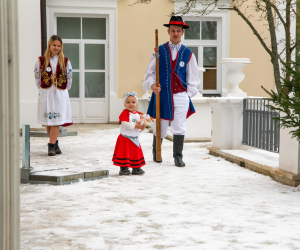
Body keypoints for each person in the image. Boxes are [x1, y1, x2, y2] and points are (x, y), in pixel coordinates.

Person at [143, 16, 199, 167]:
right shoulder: (158, 51)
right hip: (161, 94)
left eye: (178, 31)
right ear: (168, 31)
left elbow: (193, 78)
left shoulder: (188, 53)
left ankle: (178, 156)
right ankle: (157, 153)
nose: (175, 33)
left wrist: (188, 95)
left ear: (182, 33)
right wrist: (152, 85)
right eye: (173, 30)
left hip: (180, 95)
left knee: (179, 126)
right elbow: (149, 74)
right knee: (159, 126)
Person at [34, 35, 73, 156]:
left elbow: (69, 78)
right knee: (49, 120)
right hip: (46, 93)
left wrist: (63, 89)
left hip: (60, 93)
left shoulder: (65, 61)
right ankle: (54, 143)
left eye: (58, 46)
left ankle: (50, 146)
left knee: (56, 120)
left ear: (61, 47)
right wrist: (43, 88)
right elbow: (37, 76)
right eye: (54, 45)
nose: (56, 47)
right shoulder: (41, 60)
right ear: (49, 46)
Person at [112, 92, 148, 176]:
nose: (130, 104)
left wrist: (142, 127)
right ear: (124, 104)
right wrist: (136, 126)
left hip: (134, 138)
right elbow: (124, 124)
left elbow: (141, 123)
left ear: (136, 103)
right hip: (125, 138)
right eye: (128, 102)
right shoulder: (124, 113)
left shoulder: (138, 115)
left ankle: (136, 168)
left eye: (133, 102)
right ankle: (124, 168)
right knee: (124, 153)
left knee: (135, 153)